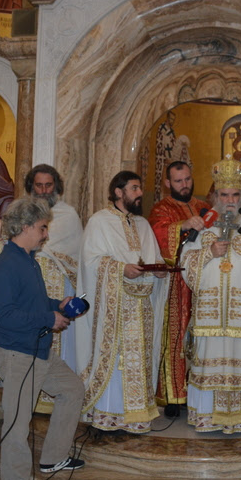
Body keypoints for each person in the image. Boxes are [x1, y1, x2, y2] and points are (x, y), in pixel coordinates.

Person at [0, 196, 85, 480]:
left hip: (39, 349)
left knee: (73, 390)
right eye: (43, 228)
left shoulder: (29, 261)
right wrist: (48, 318)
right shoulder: (6, 265)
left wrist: (57, 304)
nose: (46, 235)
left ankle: (53, 458)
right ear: (27, 227)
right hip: (18, 355)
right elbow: (5, 316)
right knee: (17, 428)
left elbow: (33, 302)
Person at [75, 170, 168, 433]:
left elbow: (154, 259)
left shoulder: (143, 225)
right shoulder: (99, 222)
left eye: (140, 188)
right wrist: (119, 270)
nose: (140, 193)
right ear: (119, 191)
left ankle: (136, 416)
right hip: (114, 311)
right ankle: (109, 414)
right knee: (116, 363)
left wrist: (160, 271)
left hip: (141, 310)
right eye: (135, 188)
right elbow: (90, 262)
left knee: (138, 362)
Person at [180, 155, 241, 434]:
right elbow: (185, 264)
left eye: (235, 194)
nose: (229, 200)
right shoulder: (203, 227)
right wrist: (207, 253)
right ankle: (206, 416)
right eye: (224, 194)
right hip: (210, 315)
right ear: (215, 195)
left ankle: (239, 418)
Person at [148, 161, 210, 415]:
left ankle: (196, 393)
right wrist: (182, 226)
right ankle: (173, 397)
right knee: (174, 339)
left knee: (199, 338)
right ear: (167, 183)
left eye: (187, 180)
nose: (184, 185)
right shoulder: (162, 208)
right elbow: (158, 234)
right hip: (176, 285)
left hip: (202, 285)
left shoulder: (200, 206)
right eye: (178, 181)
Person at [25, 164, 83, 388]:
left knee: (60, 341)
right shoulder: (22, 213)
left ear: (56, 186)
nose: (43, 191)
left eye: (48, 185)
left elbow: (75, 255)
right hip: (30, 286)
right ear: (31, 187)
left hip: (59, 285)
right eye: (38, 185)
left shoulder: (68, 215)